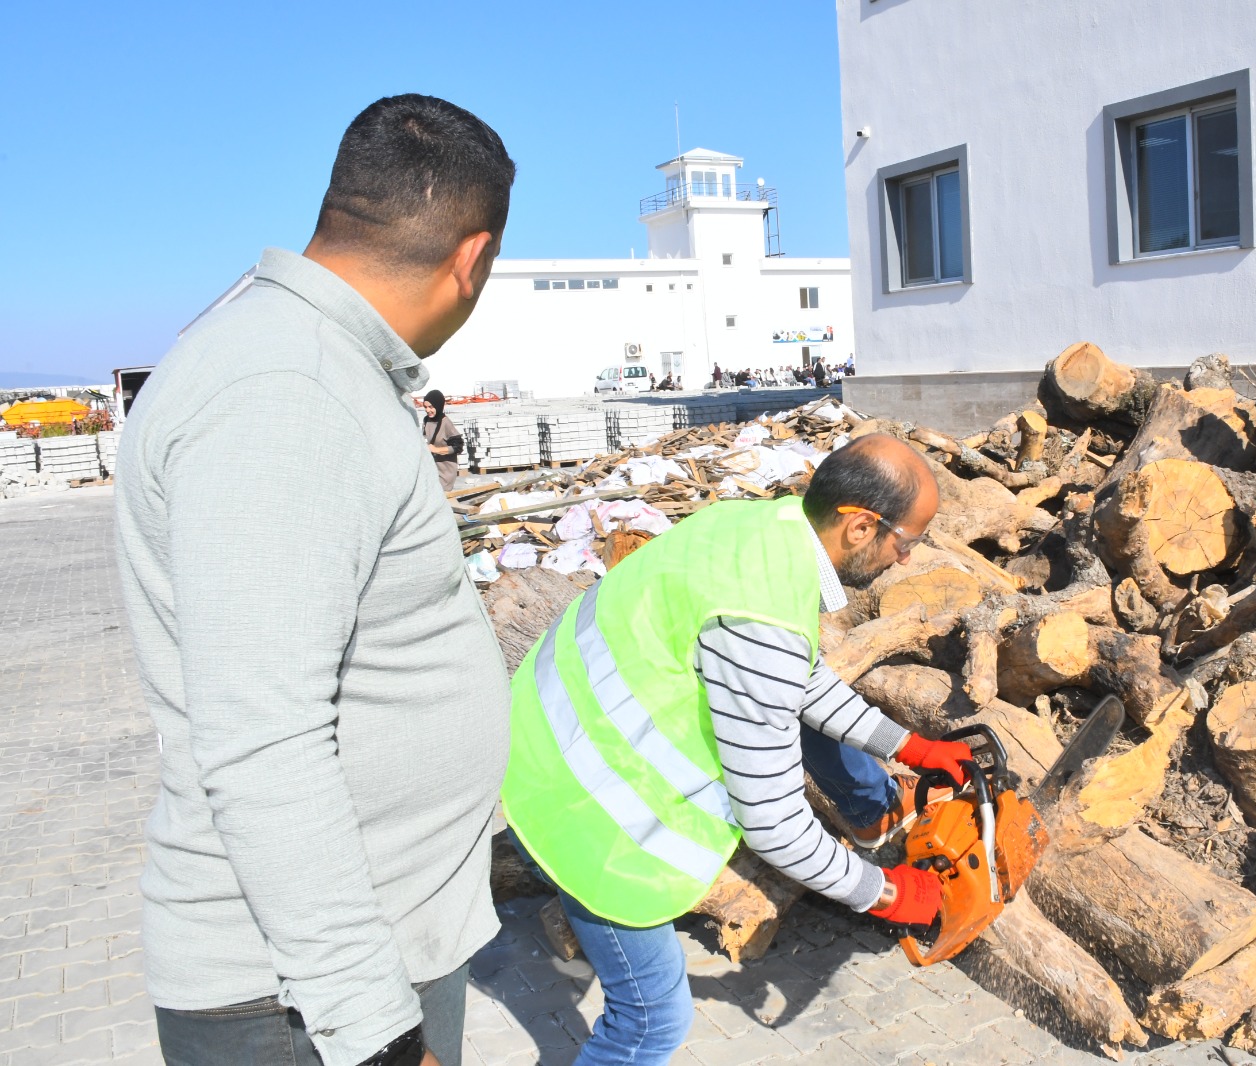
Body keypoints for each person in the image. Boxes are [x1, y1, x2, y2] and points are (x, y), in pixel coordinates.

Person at [115, 94, 516, 1066]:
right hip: (306, 1003)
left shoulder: (302, 366)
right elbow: (261, 738)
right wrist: (373, 1031)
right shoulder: (287, 394)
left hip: (341, 972)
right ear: (472, 256)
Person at [502, 434, 966, 1065]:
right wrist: (884, 893)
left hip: (540, 744)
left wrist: (906, 745)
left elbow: (796, 674)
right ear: (860, 527)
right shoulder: (762, 615)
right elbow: (775, 826)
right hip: (589, 818)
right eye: (905, 543)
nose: (907, 562)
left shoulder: (759, 528)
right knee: (648, 1024)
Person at [421, 388, 464, 492]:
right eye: (425, 407)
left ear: (438, 405)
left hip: (445, 471)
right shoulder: (426, 420)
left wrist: (436, 450)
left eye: (430, 407)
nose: (427, 410)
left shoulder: (446, 423)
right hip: (431, 469)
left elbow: (458, 446)